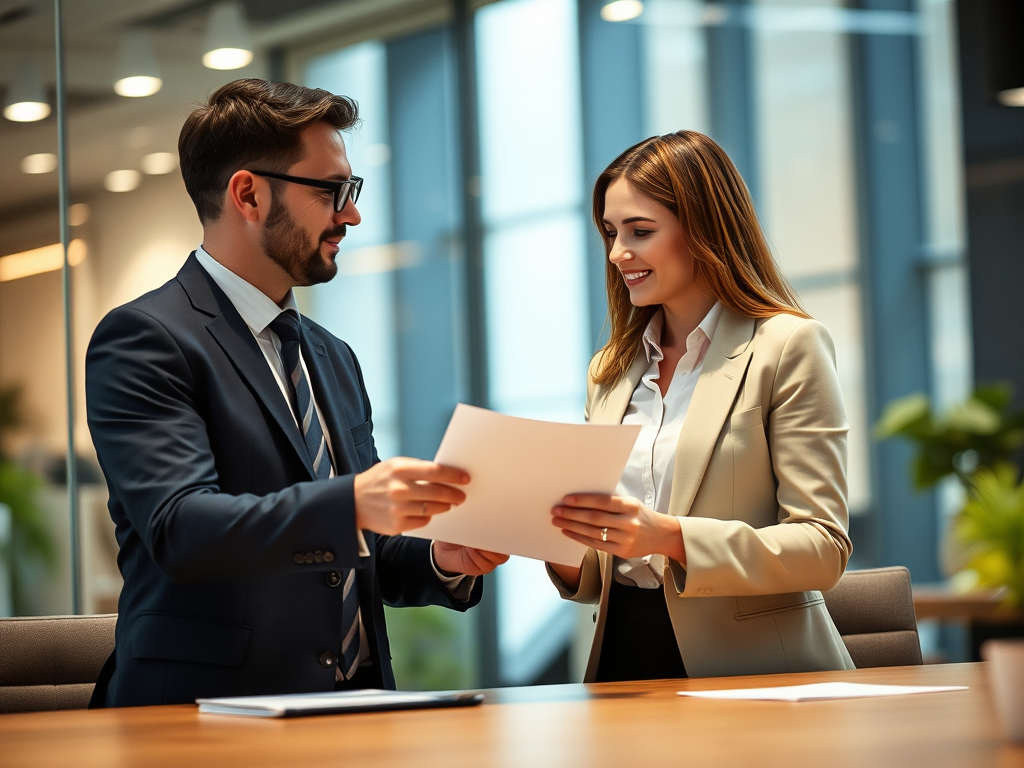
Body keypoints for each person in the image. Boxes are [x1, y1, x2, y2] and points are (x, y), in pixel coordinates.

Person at [85, 79, 507, 707]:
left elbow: (357, 549)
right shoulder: (146, 339)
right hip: (206, 719)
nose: (353, 214)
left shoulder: (332, 355)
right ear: (249, 194)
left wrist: (441, 558)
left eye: (352, 191)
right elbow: (181, 527)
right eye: (332, 191)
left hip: (358, 712)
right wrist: (357, 503)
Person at [547, 131, 855, 682]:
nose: (619, 253)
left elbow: (821, 547)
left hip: (752, 671)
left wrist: (667, 537)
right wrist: (546, 536)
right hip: (621, 661)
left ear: (704, 229)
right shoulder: (610, 371)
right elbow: (600, 567)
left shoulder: (787, 346)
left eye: (641, 232)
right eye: (611, 233)